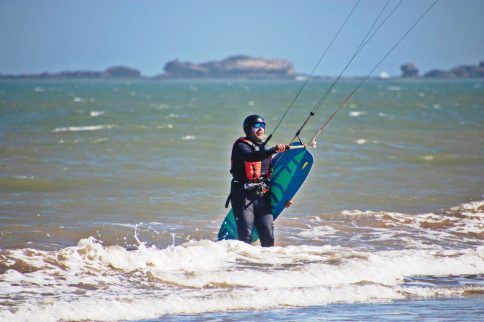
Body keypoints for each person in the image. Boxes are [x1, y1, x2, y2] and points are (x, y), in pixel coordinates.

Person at [226, 115, 290, 247]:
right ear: (247, 129)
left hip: (262, 199)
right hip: (243, 198)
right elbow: (250, 157)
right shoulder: (241, 146)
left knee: (269, 238)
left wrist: (286, 197)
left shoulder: (265, 151)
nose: (261, 129)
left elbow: (272, 178)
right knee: (246, 237)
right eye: (256, 126)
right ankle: (240, 266)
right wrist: (273, 150)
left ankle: (262, 266)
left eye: (263, 126)